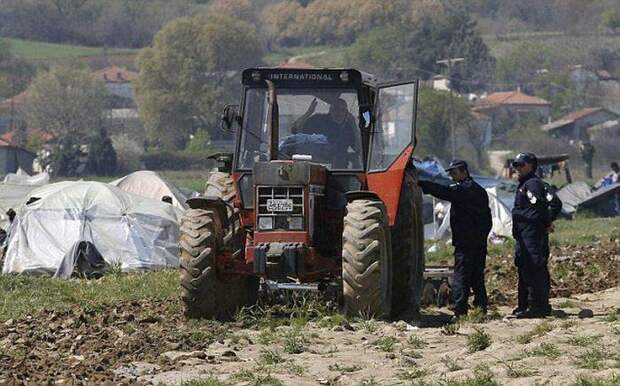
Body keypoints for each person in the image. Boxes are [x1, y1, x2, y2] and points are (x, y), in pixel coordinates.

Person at [418, 160, 492, 319]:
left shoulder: (465, 189)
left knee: (462, 276)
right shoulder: (479, 190)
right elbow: (488, 220)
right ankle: (481, 309)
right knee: (477, 276)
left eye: (454, 173)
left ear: (464, 172)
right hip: (478, 242)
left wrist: (422, 184)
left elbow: (444, 192)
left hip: (466, 243)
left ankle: (460, 311)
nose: (451, 176)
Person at [511, 152, 562, 318]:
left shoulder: (532, 184)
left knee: (534, 267)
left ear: (531, 166)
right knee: (524, 267)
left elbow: (543, 205)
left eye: (521, 164)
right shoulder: (526, 184)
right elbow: (552, 203)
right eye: (515, 165)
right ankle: (524, 304)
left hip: (531, 234)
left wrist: (546, 223)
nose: (517, 168)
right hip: (524, 235)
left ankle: (538, 306)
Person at [291, 98, 361, 167]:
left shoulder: (348, 128)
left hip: (339, 169)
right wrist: (309, 112)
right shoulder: (319, 120)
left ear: (346, 112)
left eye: (342, 110)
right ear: (330, 110)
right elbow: (295, 130)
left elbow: (358, 149)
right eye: (335, 109)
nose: (338, 113)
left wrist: (353, 124)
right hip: (317, 165)